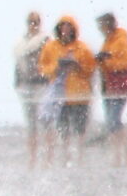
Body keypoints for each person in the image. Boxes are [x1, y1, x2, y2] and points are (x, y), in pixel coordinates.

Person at [38, 15, 97, 163]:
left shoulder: (82, 48)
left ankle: (80, 157)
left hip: (79, 95)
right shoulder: (50, 47)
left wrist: (77, 67)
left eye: (68, 27)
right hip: (60, 95)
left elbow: (90, 69)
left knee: (80, 129)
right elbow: (43, 68)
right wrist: (57, 67)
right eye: (62, 27)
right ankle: (65, 157)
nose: (65, 30)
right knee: (63, 130)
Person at [94, 12, 127, 166]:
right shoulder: (108, 41)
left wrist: (108, 60)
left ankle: (126, 153)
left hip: (120, 83)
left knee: (114, 119)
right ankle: (118, 154)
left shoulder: (121, 41)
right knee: (111, 120)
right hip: (108, 84)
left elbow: (126, 62)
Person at [13, 10, 49, 167]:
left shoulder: (45, 41)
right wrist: (17, 81)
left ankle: (48, 157)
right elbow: (18, 65)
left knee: (46, 121)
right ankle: (32, 158)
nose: (33, 25)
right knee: (31, 124)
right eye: (31, 22)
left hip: (42, 85)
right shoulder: (21, 44)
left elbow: (49, 61)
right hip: (26, 85)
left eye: (36, 22)